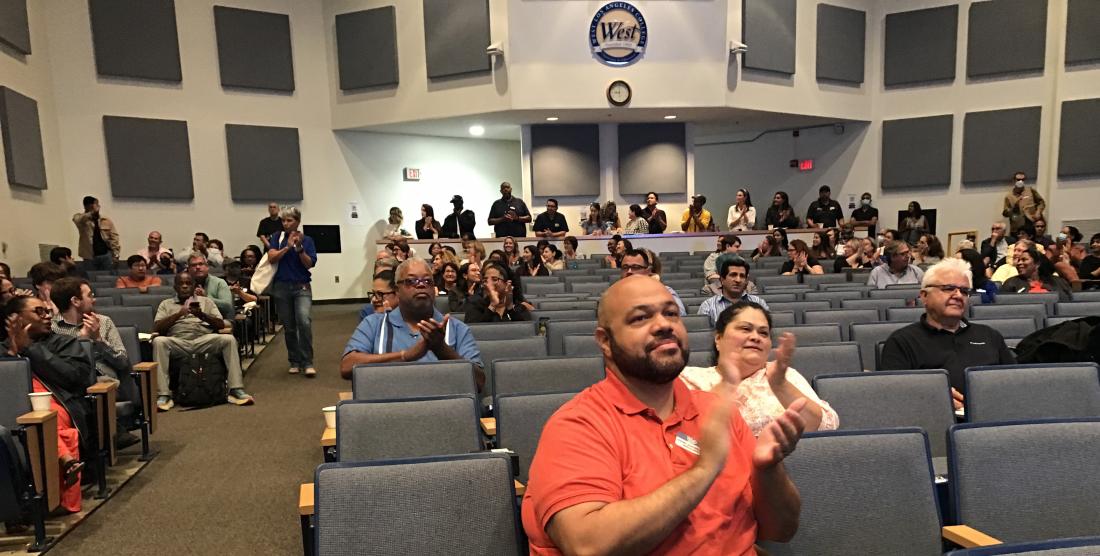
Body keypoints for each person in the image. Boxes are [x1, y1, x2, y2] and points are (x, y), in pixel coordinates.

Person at [521, 275, 805, 554]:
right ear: (605, 341)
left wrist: (767, 470)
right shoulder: (578, 424)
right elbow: (587, 545)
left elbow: (780, 531)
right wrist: (704, 469)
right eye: (640, 318)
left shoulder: (716, 410)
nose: (663, 325)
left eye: (671, 313)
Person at [683, 301, 837, 435]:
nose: (756, 337)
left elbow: (824, 428)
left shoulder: (785, 376)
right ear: (718, 338)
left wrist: (780, 385)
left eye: (763, 333)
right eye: (745, 329)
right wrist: (727, 385)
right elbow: (679, 435)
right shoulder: (689, 378)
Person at [3, 295, 96, 513]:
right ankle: (66, 461)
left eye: (47, 311)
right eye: (39, 312)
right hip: (11, 414)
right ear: (16, 318)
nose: (47, 316)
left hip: (63, 407)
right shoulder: (3, 348)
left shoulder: (64, 342)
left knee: (44, 417)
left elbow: (75, 377)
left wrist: (30, 349)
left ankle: (60, 484)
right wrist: (12, 353)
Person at [880, 258, 1015, 404]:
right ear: (924, 296)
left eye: (964, 291)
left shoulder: (989, 336)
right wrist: (934, 394)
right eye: (949, 288)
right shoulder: (902, 342)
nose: (958, 295)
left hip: (992, 415)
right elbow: (894, 396)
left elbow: (1014, 382)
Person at [340, 259, 484, 384]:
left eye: (427, 281)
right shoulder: (374, 324)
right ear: (397, 290)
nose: (421, 285)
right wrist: (404, 356)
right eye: (411, 281)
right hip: (388, 409)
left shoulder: (457, 328)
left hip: (442, 409)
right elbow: (346, 367)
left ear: (434, 289)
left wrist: (442, 349)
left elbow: (479, 381)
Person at [50, 277, 141, 443]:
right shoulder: (52, 328)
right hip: (70, 382)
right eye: (89, 295)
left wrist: (98, 340)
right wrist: (83, 340)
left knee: (96, 386)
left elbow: (122, 360)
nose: (94, 299)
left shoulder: (103, 322)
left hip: (105, 382)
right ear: (75, 301)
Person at [152, 272, 255, 411]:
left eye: (188, 283)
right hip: (178, 341)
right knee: (159, 341)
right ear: (175, 287)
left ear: (194, 286)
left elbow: (220, 325)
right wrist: (179, 314)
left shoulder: (206, 302)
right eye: (181, 284)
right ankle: (164, 395)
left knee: (228, 339)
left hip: (203, 340)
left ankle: (235, 389)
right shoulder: (166, 304)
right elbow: (158, 328)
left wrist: (201, 315)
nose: (184, 286)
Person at [265, 207, 318, 377]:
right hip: (281, 287)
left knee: (304, 321)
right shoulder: (276, 238)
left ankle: (307, 362)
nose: (286, 224)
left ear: (297, 221)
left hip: (301, 286)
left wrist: (299, 248)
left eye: (289, 220)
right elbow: (272, 257)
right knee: (289, 327)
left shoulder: (307, 240)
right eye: (283, 221)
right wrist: (287, 247)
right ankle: (294, 361)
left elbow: (309, 264)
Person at [698, 254, 768, 324]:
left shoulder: (759, 303)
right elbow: (702, 334)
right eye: (733, 275)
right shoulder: (708, 306)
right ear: (722, 280)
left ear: (746, 281)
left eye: (742, 276)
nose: (738, 280)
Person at [619, 249, 687, 316]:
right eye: (625, 267)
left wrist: (653, 289)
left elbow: (680, 316)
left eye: (636, 267)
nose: (629, 271)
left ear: (649, 271)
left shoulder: (665, 291)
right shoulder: (615, 294)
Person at [462, 261, 532, 323]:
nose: (488, 284)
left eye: (494, 279)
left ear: (506, 284)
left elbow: (526, 330)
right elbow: (475, 331)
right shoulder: (475, 304)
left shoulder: (519, 308)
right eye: (485, 280)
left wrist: (510, 307)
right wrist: (492, 305)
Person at [1001, 245, 1072, 301]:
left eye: (1024, 259)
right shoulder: (1011, 283)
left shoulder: (1057, 282)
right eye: (1018, 260)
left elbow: (1066, 302)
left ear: (1037, 264)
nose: (1019, 263)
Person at [72, 195, 120, 271]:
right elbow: (79, 220)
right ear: (87, 206)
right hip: (89, 257)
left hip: (106, 255)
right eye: (96, 205)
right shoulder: (80, 218)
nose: (98, 207)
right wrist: (91, 212)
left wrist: (116, 254)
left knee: (109, 277)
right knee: (92, 278)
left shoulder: (105, 220)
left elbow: (114, 238)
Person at [185, 253, 234, 320]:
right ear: (189, 269)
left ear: (207, 267)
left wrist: (206, 298)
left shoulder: (219, 283)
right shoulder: (185, 284)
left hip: (217, 321)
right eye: (193, 265)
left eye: (201, 264)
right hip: (190, 321)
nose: (198, 267)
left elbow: (227, 306)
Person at [1002, 171, 1045, 236]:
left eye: (1023, 180)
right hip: (1017, 227)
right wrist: (1015, 206)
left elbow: (1041, 203)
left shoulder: (1030, 191)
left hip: (1032, 224)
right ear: (1014, 181)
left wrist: (1038, 212)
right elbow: (1005, 213)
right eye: (1018, 180)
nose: (1020, 181)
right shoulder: (1009, 196)